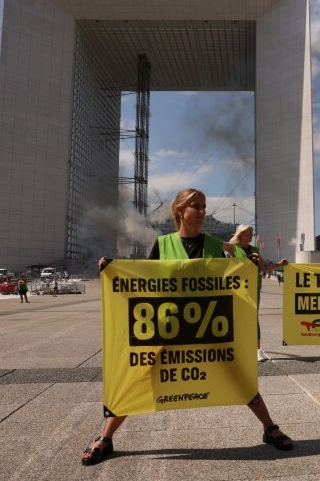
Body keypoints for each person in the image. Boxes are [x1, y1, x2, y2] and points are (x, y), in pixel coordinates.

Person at [81, 188, 293, 466]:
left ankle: (269, 427)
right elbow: (143, 282)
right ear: (180, 210)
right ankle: (106, 437)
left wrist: (251, 264)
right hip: (167, 326)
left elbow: (231, 279)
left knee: (238, 373)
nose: (203, 211)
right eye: (196, 206)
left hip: (209, 325)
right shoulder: (163, 244)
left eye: (204, 206)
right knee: (139, 376)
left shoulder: (216, 246)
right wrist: (112, 269)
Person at [229, 224, 288, 362]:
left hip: (254, 288)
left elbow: (265, 267)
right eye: (249, 233)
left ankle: (257, 350)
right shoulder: (233, 249)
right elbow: (230, 268)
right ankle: (239, 349)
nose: (251, 235)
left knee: (254, 319)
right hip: (239, 289)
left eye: (252, 233)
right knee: (238, 319)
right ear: (241, 234)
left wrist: (279, 264)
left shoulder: (255, 249)